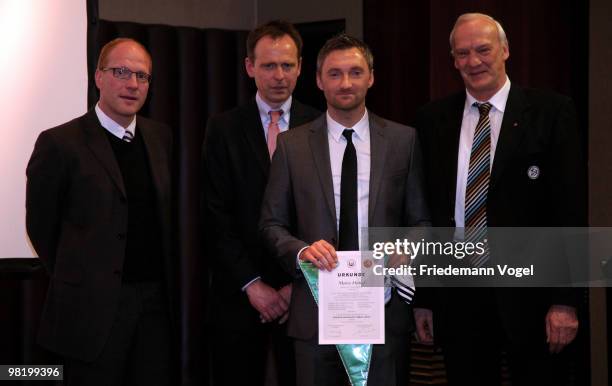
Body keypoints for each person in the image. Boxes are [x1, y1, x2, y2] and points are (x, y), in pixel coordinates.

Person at [413, 13, 584, 386]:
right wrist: (424, 296)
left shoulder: (551, 112)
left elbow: (568, 211)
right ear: (453, 60)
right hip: (458, 295)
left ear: (505, 50)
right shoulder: (431, 120)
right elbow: (426, 213)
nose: (473, 61)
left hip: (533, 298)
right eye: (462, 53)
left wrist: (565, 300)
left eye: (483, 49)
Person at [259, 34, 429, 386]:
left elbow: (421, 221)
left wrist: (406, 249)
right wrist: (303, 251)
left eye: (355, 72)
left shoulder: (403, 141)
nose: (346, 82)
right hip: (316, 313)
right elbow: (271, 224)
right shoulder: (292, 146)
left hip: (383, 311)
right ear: (319, 80)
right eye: (334, 74)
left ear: (371, 77)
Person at [26, 38, 175, 386]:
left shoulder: (161, 137)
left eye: (142, 76)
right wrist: (83, 276)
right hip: (88, 310)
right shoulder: (59, 143)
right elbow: (41, 227)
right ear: (98, 77)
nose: (133, 84)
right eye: (121, 72)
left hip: (153, 307)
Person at [202, 20, 320, 386]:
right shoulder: (222, 129)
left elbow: (326, 216)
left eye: (287, 65)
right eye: (269, 65)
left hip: (304, 294)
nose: (279, 76)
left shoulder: (320, 126)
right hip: (240, 294)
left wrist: (293, 287)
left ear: (301, 67)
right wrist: (253, 285)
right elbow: (214, 215)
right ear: (250, 67)